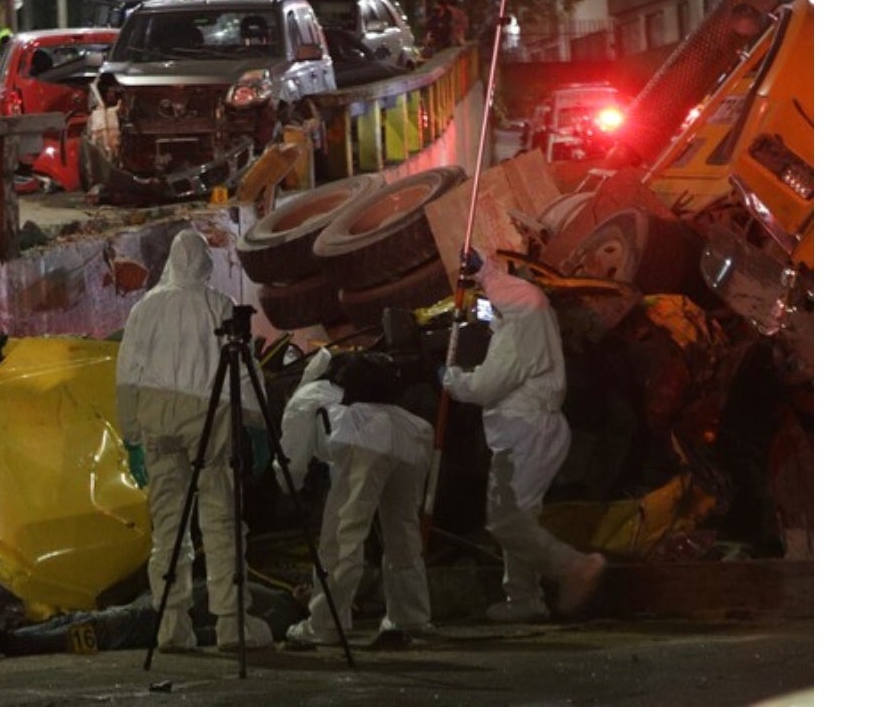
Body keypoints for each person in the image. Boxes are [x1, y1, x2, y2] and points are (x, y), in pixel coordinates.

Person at [114, 228, 275, 653]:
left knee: (168, 526)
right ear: (206, 264)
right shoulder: (218, 306)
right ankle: (231, 623)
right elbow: (243, 373)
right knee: (220, 520)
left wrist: (132, 438)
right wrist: (258, 428)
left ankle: (171, 626)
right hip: (208, 418)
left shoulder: (145, 310)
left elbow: (127, 377)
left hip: (158, 419)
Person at [440, 250, 606, 623]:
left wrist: (452, 380)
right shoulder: (534, 312)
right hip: (534, 429)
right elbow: (507, 290)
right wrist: (483, 271)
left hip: (524, 432)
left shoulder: (517, 333)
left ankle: (574, 567)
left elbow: (485, 386)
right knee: (520, 518)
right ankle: (523, 598)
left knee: (505, 520)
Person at [279, 349, 433, 645]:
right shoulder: (352, 396)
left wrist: (289, 485)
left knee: (342, 535)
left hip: (362, 439)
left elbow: (291, 458)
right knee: (402, 529)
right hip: (412, 436)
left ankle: (327, 623)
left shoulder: (305, 396)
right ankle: (411, 616)